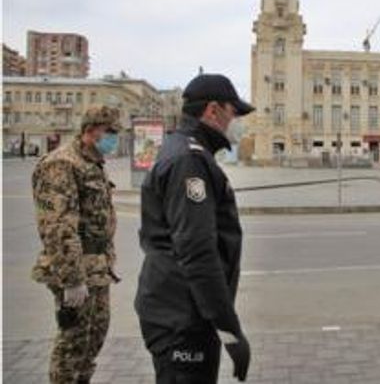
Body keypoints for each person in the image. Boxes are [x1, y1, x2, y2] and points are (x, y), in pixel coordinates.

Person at [135, 73, 253, 383]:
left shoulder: (182, 147)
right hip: (181, 318)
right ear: (213, 110)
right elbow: (198, 251)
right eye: (234, 113)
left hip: (179, 309)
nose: (236, 122)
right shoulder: (190, 160)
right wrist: (230, 329)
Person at [31, 106, 122, 384]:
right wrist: (72, 279)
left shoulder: (92, 161)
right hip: (76, 269)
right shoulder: (61, 163)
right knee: (73, 345)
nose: (114, 138)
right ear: (91, 130)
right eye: (111, 132)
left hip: (96, 267)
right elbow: (57, 226)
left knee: (93, 338)